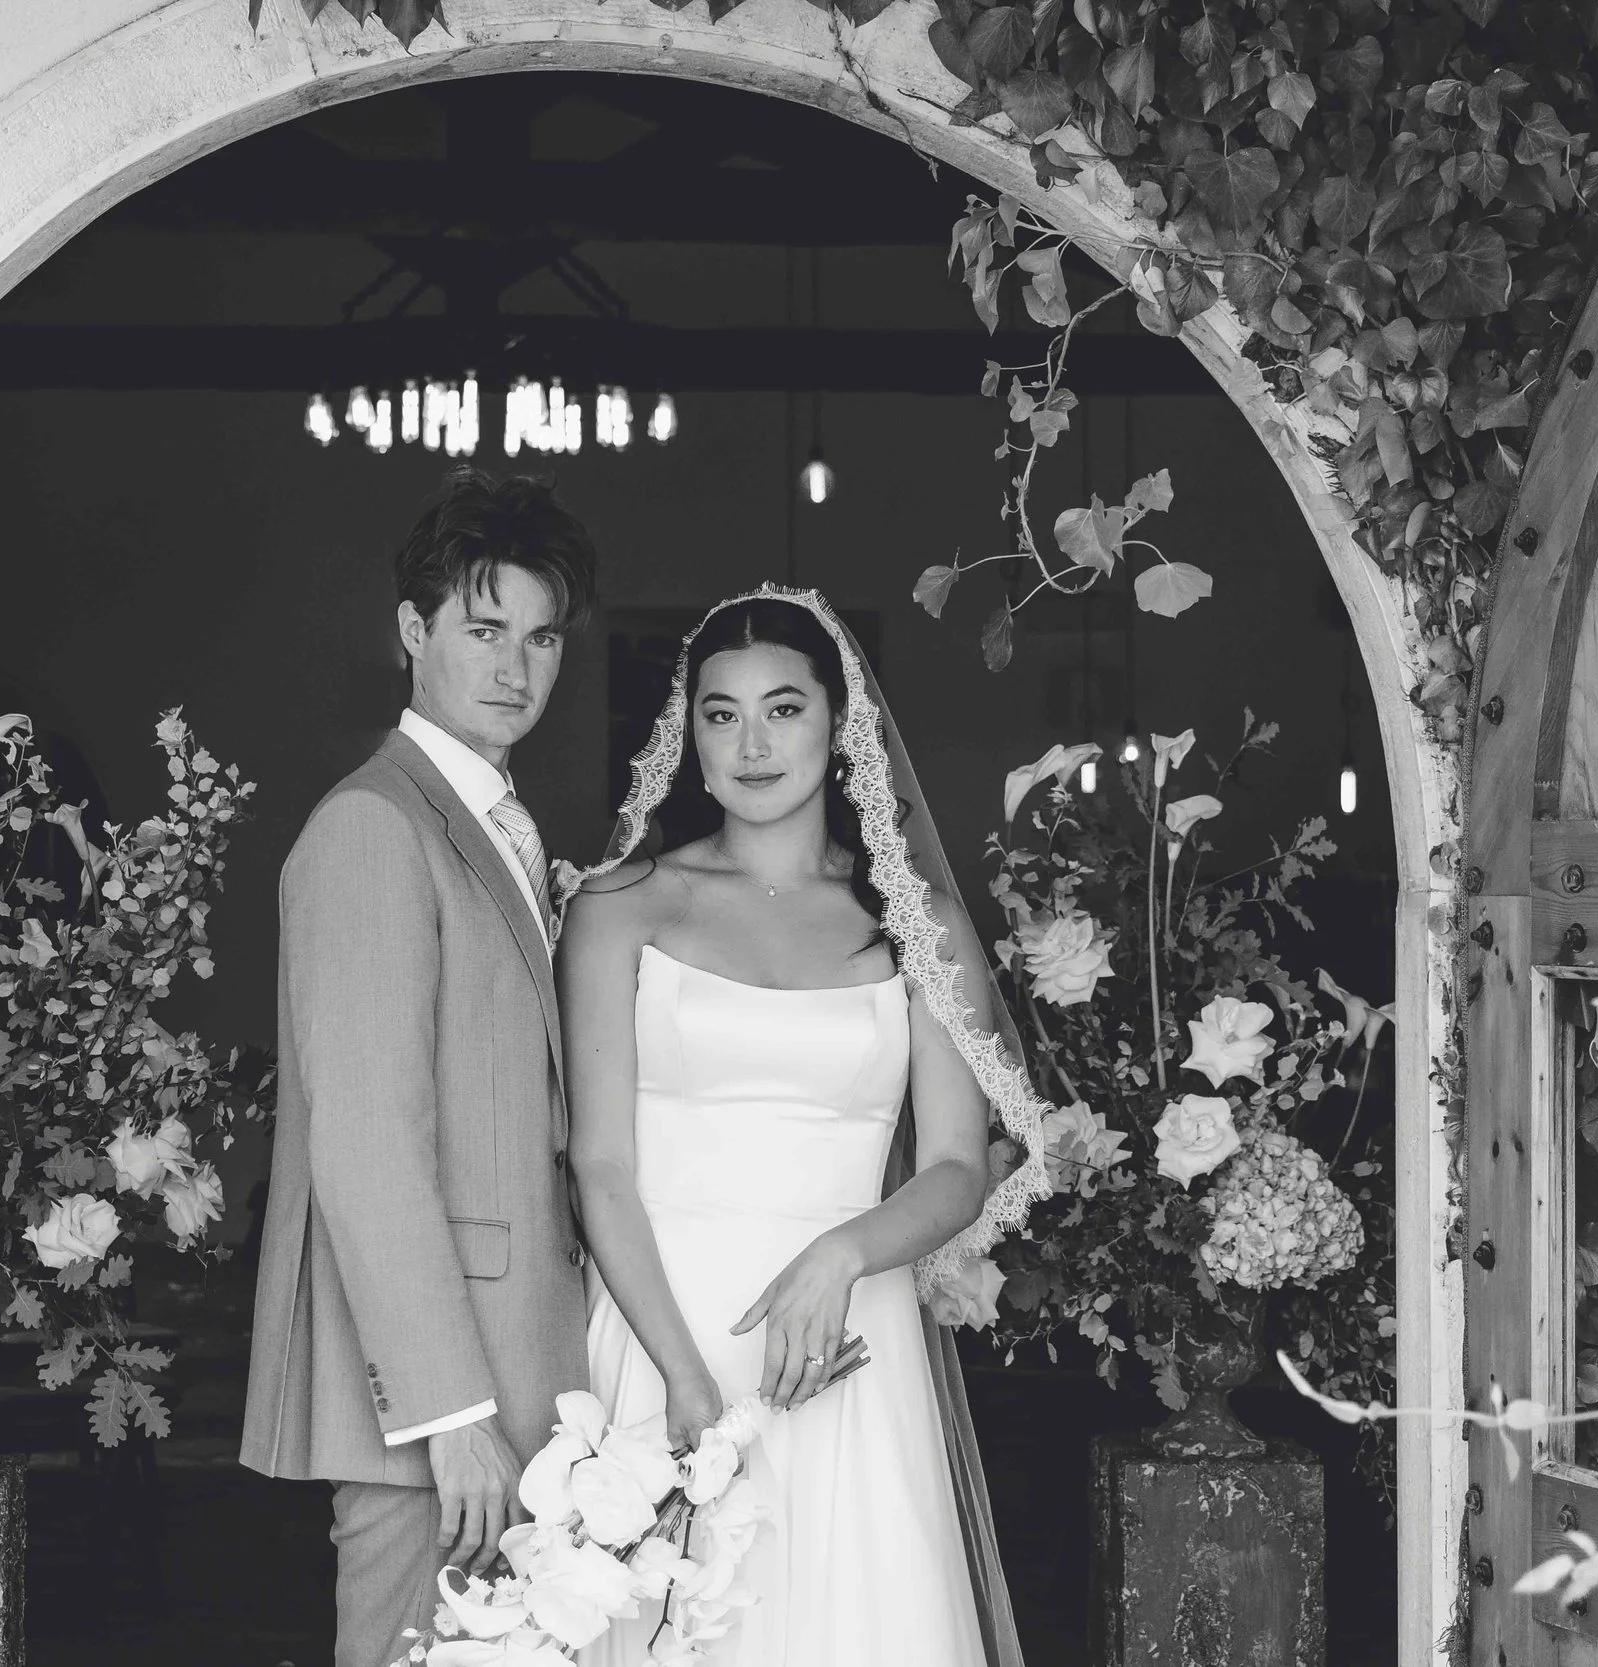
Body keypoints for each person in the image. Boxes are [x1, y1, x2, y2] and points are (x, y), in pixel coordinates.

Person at [560, 587, 1042, 1666]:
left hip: (852, 1346)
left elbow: (959, 1164)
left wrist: (843, 1251)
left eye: (783, 708)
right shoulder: (618, 905)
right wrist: (682, 1376)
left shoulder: (918, 925)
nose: (752, 741)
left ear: (841, 725)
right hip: (657, 1329)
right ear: (688, 737)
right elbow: (597, 1164)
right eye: (719, 714)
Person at [242, 467, 600, 1667]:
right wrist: (451, 1415)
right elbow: (364, 1136)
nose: (515, 667)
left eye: (540, 637)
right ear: (413, 631)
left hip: (526, 1368)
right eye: (482, 629)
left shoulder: (495, 818)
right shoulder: (372, 826)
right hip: (434, 1406)